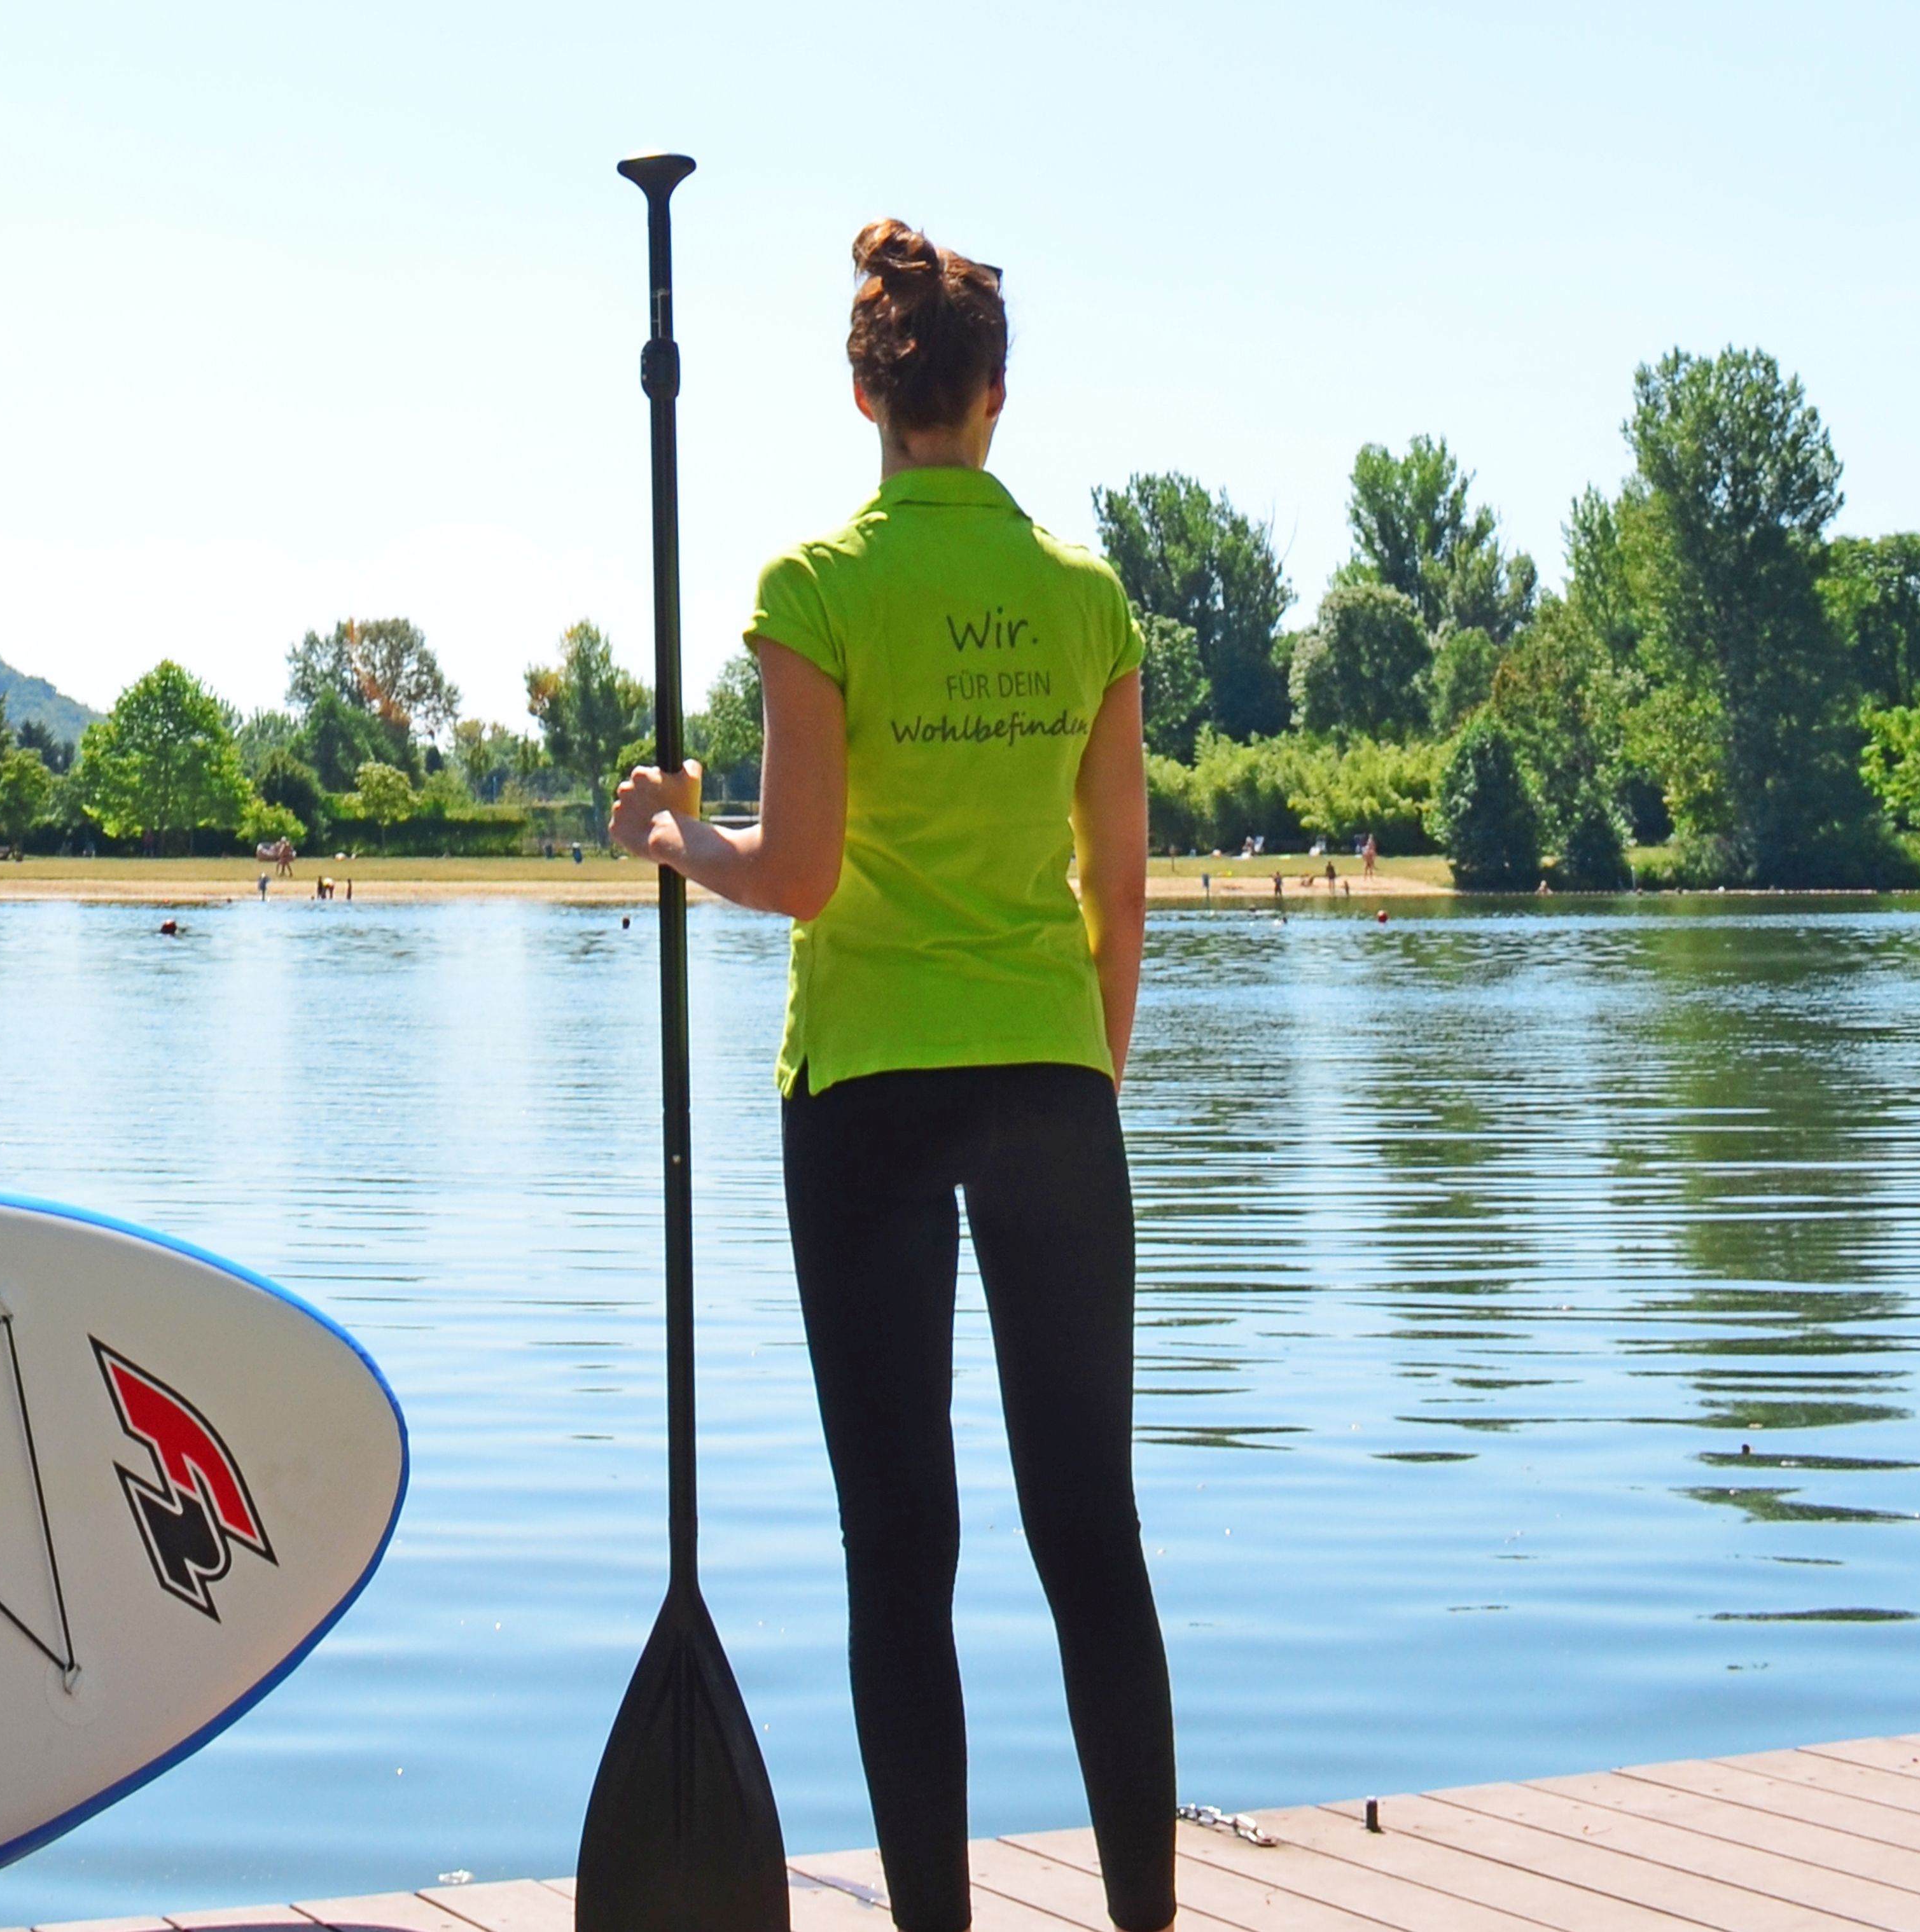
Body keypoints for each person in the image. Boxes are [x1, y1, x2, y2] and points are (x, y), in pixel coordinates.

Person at [609, 216, 1173, 1932]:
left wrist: (672, 833)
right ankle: (1148, 1919)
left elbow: (797, 871)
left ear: (868, 390)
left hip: (865, 1094)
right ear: (998, 396)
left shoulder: (819, 588)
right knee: (1093, 1536)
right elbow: (1120, 877)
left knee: (900, 1550)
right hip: (1055, 1091)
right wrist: (1093, 1071)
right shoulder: (1086, 600)